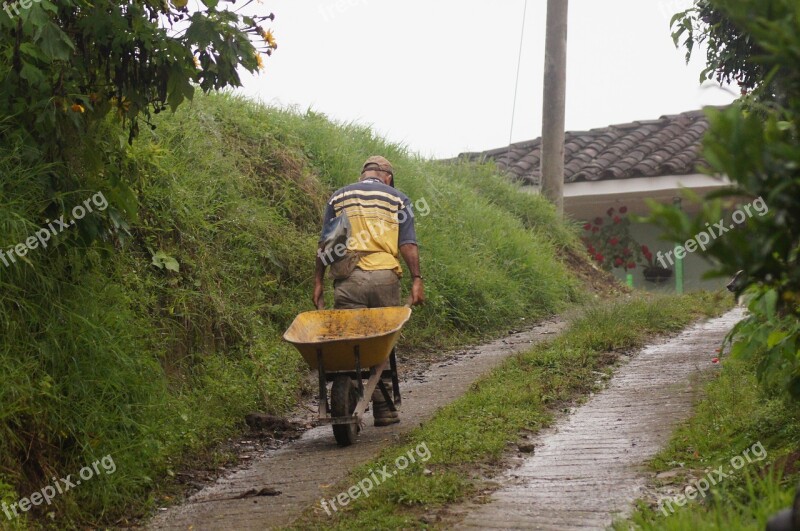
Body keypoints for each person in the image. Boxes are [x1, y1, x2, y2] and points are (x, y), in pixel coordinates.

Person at [313, 155, 425, 426]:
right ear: (387, 177)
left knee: (351, 343)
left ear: (363, 174)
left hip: (349, 280)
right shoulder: (398, 199)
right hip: (385, 278)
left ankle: (350, 393)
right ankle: (384, 410)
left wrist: (318, 281)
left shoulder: (339, 197)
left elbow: (327, 244)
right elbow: (407, 244)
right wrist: (417, 278)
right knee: (381, 342)